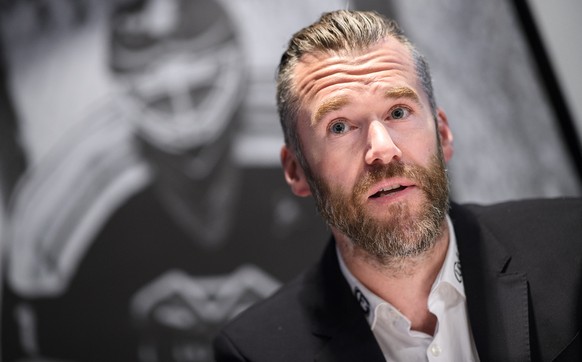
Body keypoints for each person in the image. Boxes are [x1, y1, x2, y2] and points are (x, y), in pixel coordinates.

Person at [213, 10, 582, 362]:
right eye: (339, 127)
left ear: (442, 133)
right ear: (296, 171)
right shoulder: (256, 352)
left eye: (399, 112)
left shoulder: (572, 244)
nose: (383, 150)